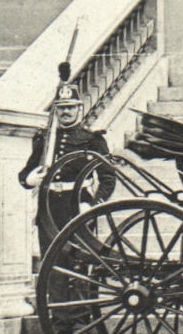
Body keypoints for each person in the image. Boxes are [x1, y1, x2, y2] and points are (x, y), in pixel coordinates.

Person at [19, 83, 117, 255]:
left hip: (79, 206)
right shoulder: (45, 139)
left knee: (78, 262)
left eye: (70, 107)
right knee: (52, 265)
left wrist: (93, 206)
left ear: (79, 108)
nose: (66, 112)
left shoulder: (92, 139)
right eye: (61, 107)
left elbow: (108, 178)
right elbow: (26, 172)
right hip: (49, 209)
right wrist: (29, 179)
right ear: (56, 110)